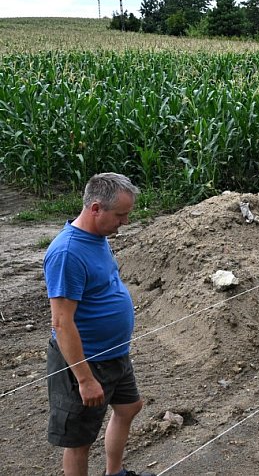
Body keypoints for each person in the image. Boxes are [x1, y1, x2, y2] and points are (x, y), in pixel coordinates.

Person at [44, 173, 154, 476]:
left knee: (130, 407)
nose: (126, 222)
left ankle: (114, 473)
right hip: (87, 360)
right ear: (95, 209)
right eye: (121, 215)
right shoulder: (67, 253)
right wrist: (84, 379)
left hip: (115, 353)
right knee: (79, 441)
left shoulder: (97, 237)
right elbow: (62, 322)